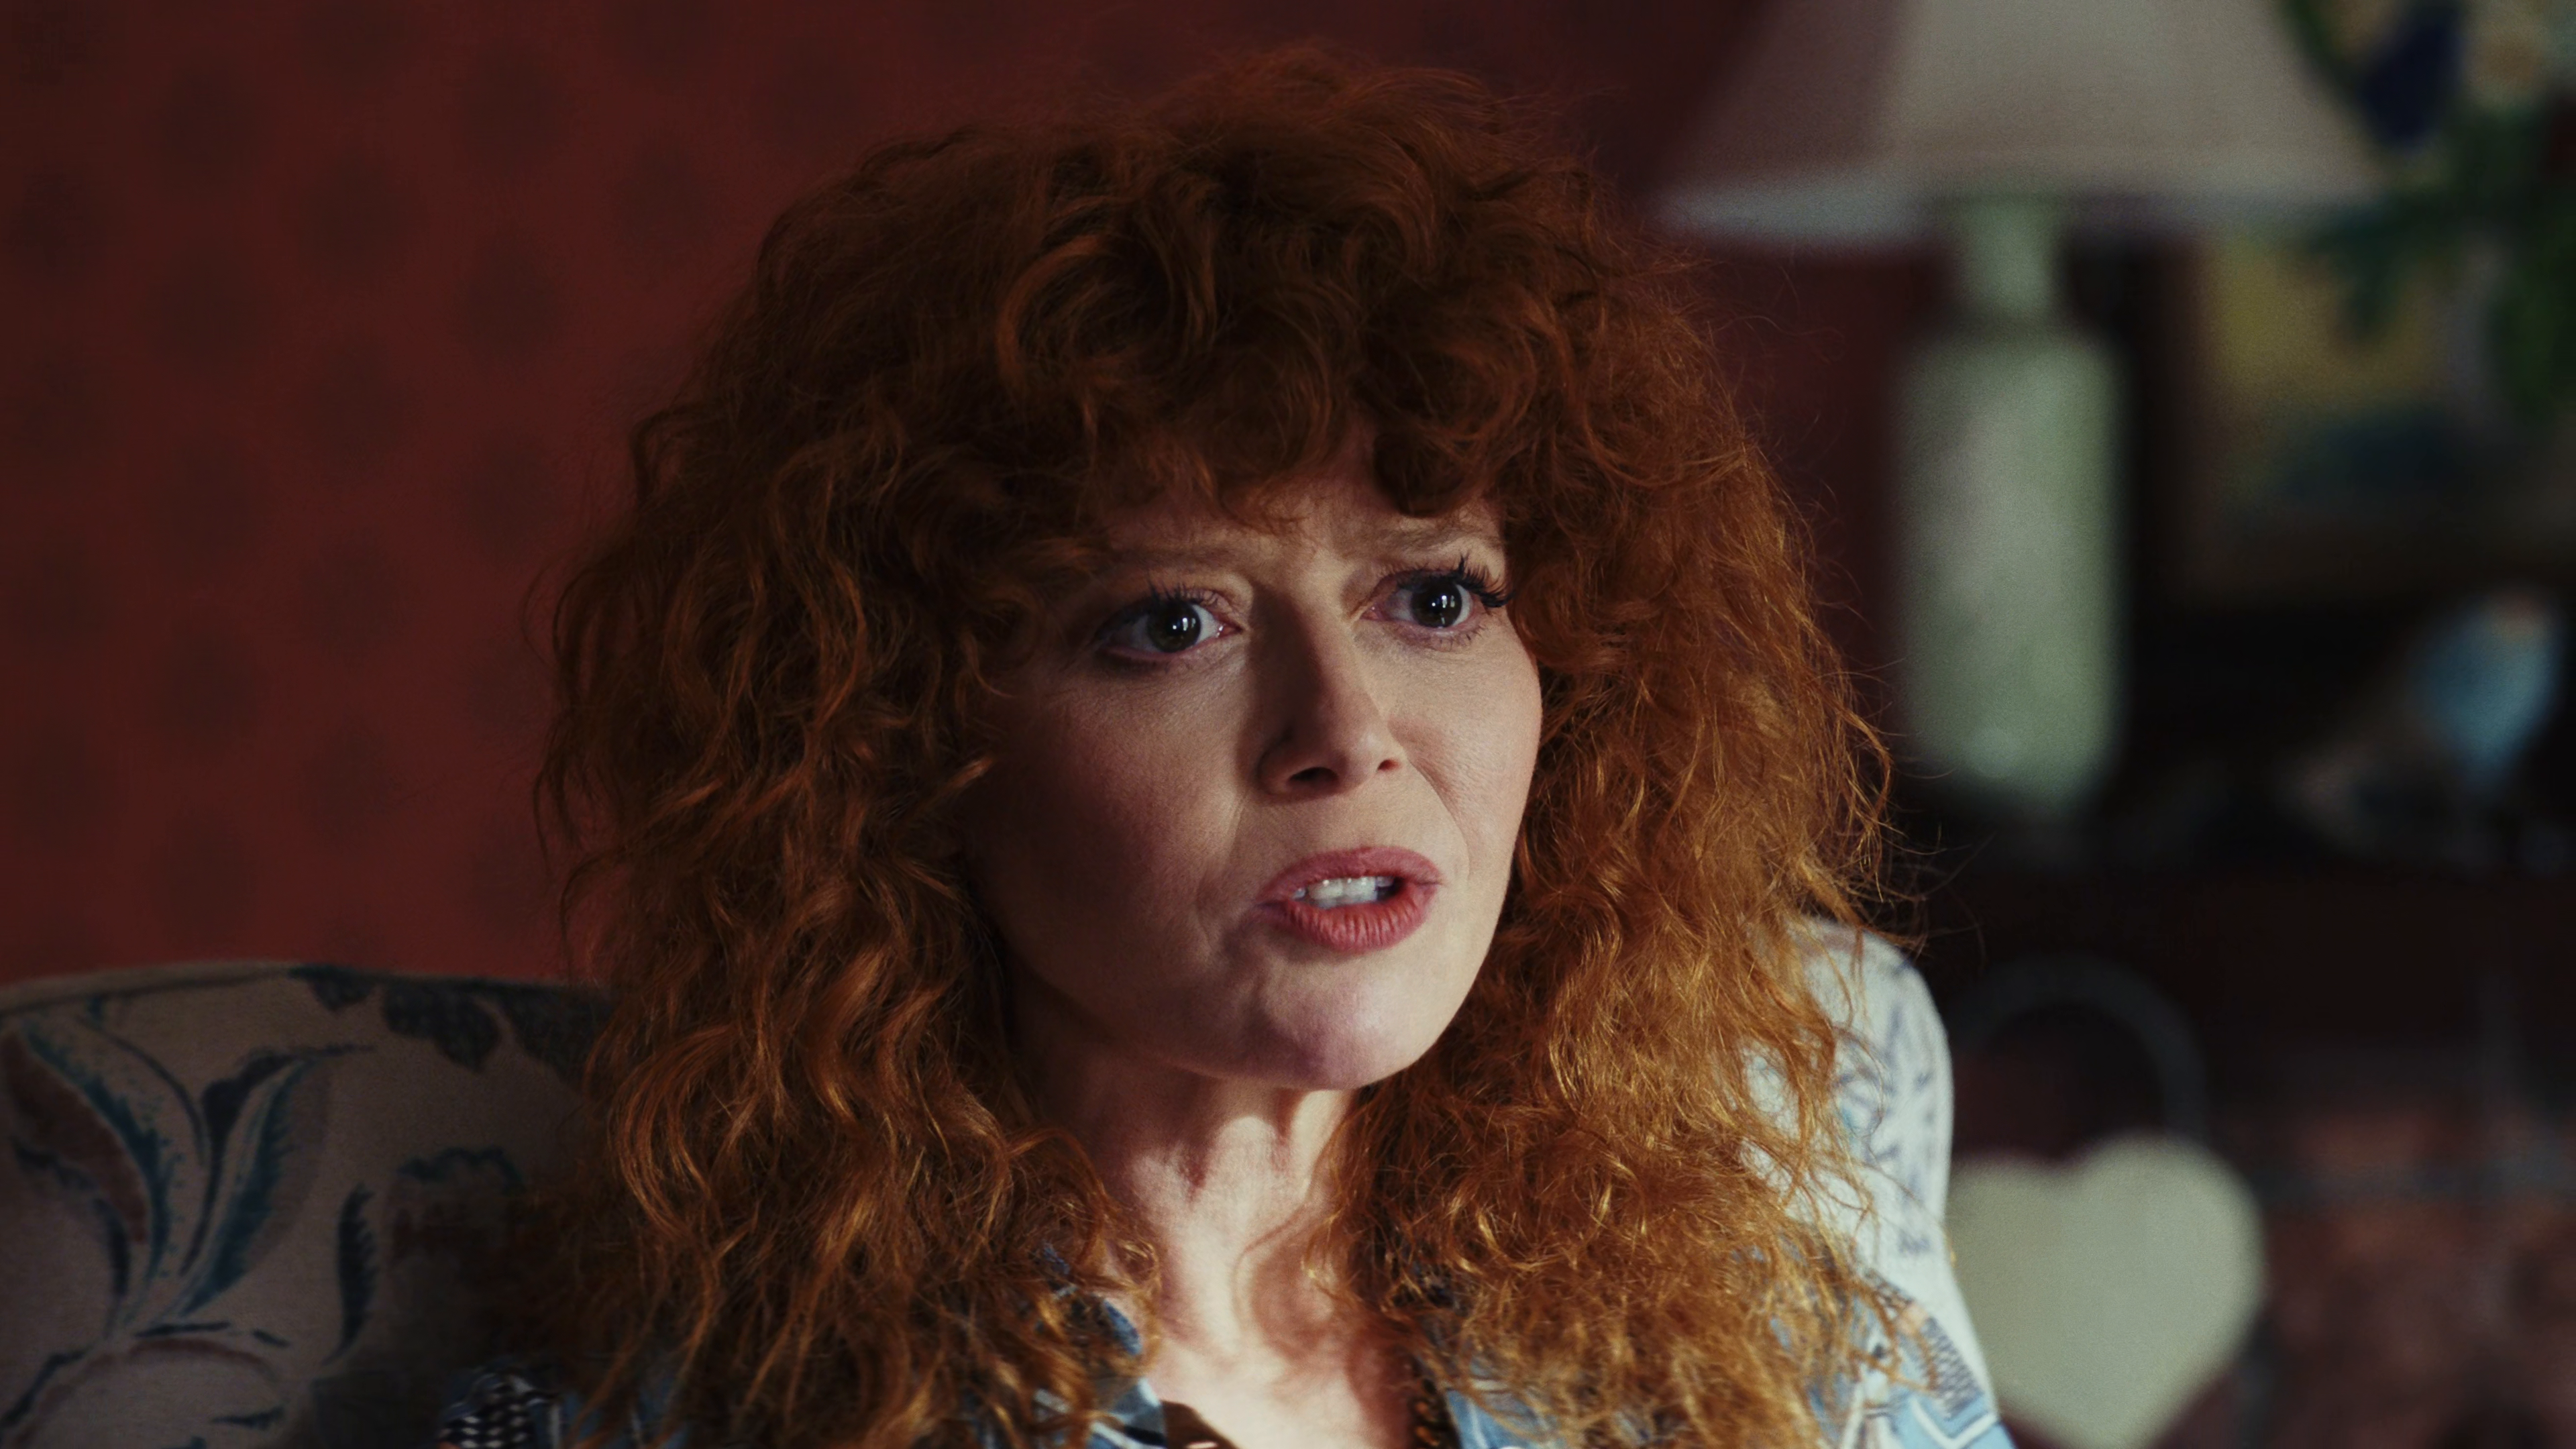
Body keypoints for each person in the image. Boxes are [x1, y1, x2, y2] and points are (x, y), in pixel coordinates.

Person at [435, 48, 2010, 1449]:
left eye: (1434, 598)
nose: (1346, 734)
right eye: (1174, 624)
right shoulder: (645, 1424)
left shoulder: (1787, 1367)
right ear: (903, 746)